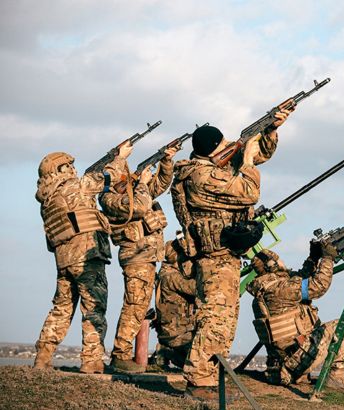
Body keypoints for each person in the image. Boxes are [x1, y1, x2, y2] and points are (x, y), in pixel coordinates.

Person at [171, 110, 289, 400]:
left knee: (223, 318)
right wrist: (246, 160)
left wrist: (270, 131)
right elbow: (249, 192)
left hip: (225, 253)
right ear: (213, 150)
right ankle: (199, 381)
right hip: (214, 255)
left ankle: (209, 380)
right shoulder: (200, 177)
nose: (229, 149)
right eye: (223, 145)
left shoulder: (210, 168)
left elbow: (259, 154)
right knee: (215, 318)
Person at [34, 144, 132, 373]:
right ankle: (92, 362)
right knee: (94, 309)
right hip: (87, 257)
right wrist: (120, 158)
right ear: (61, 168)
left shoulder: (47, 199)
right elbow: (111, 177)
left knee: (61, 308)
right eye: (69, 166)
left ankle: (42, 357)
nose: (74, 169)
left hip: (64, 260)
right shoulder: (73, 187)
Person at [99, 146, 179, 373]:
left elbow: (161, 185)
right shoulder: (109, 197)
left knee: (139, 305)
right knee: (134, 305)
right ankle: (120, 355)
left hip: (147, 255)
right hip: (136, 256)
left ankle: (122, 355)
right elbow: (142, 206)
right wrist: (142, 182)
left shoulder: (134, 190)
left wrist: (166, 162)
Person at [246, 244, 344, 389]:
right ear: (272, 265)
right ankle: (337, 375)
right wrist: (328, 258)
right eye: (278, 260)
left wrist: (313, 258)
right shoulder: (282, 289)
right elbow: (319, 286)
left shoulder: (266, 292)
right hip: (297, 362)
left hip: (279, 369)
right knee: (340, 326)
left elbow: (299, 279)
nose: (283, 263)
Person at [149, 234, 196, 370]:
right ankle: (167, 352)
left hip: (173, 331)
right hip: (177, 334)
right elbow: (195, 288)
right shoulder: (172, 277)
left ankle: (166, 351)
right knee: (199, 360)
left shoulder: (165, 274)